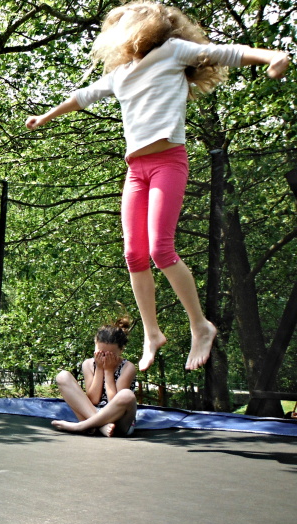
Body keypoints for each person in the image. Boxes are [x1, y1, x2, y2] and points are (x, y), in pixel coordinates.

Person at [25, 1, 290, 371]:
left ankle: (200, 325)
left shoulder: (173, 51)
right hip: (136, 170)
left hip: (168, 161)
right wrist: (46, 116)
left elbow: (226, 52)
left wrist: (272, 56)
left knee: (160, 249)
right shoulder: (121, 73)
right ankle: (152, 332)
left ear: (145, 27)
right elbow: (82, 96)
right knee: (134, 254)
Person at [52, 318, 137, 437]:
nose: (104, 358)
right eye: (100, 353)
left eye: (109, 355)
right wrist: (99, 369)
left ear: (121, 350)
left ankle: (80, 426)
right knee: (62, 376)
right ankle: (99, 426)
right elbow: (93, 400)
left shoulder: (128, 367)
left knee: (127, 395)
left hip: (118, 422)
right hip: (90, 414)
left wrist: (108, 371)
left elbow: (114, 402)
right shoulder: (88, 364)